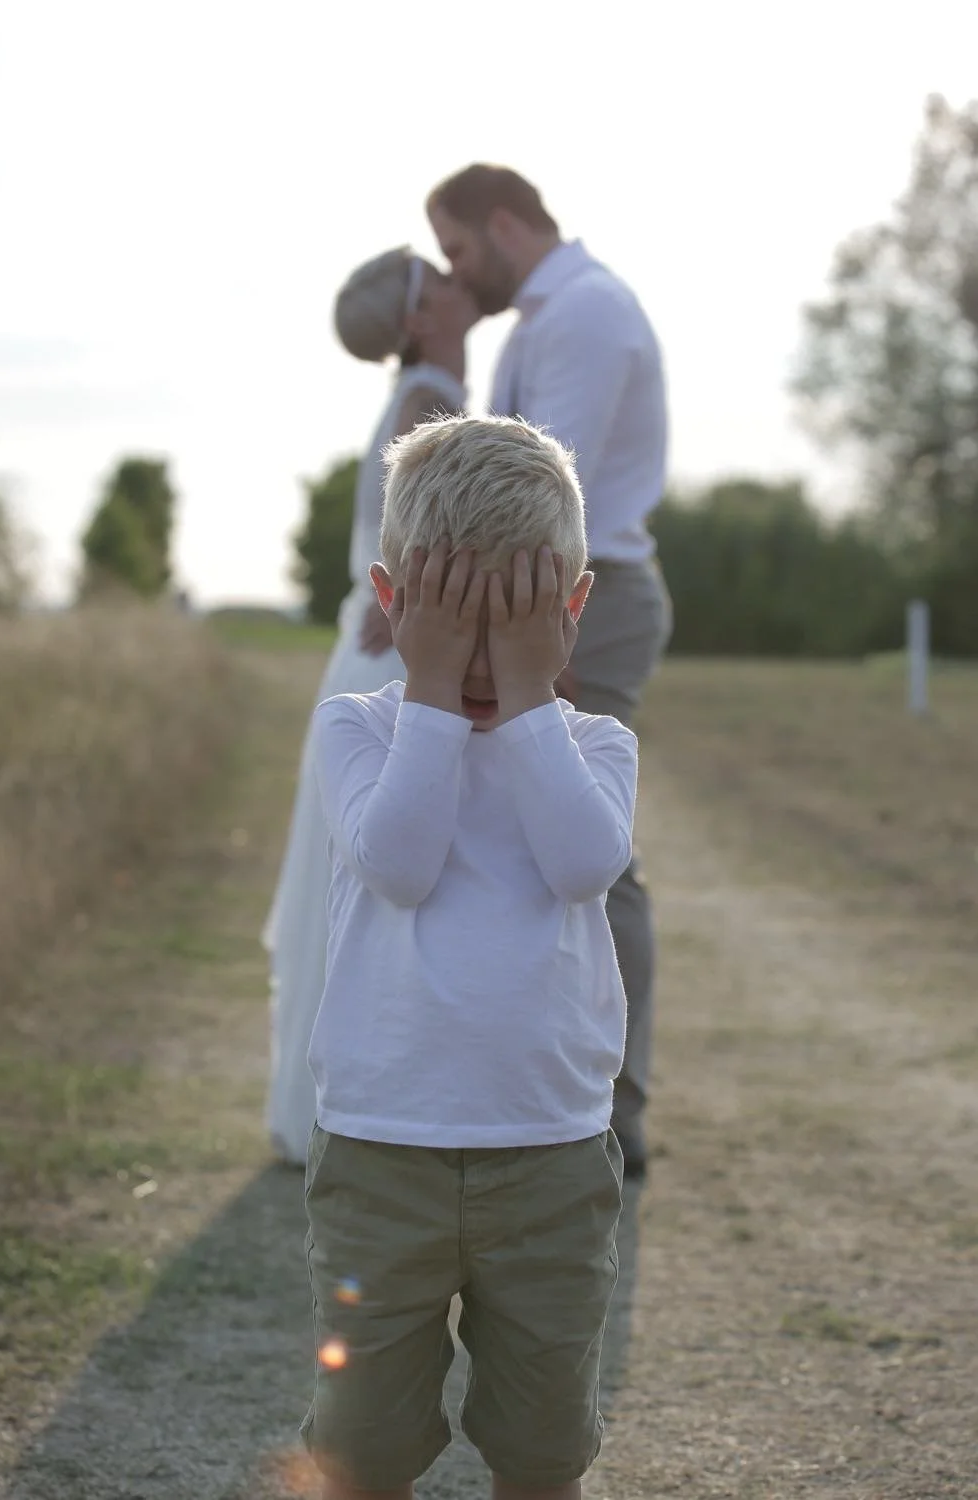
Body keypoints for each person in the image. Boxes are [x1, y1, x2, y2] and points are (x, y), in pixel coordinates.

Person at [302, 414, 637, 1497]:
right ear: (394, 603)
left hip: (547, 1155)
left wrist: (532, 697)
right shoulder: (359, 731)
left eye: (519, 625)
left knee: (542, 1441)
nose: (484, 659)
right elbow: (397, 861)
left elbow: (585, 863)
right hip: (379, 1156)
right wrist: (433, 694)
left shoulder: (592, 745)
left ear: (571, 609)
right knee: (365, 1440)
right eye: (457, 624)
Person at [427, 165, 672, 1179]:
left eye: (455, 250)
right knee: (514, 830)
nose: (454, 271)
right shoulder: (542, 319)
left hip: (585, 594)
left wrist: (516, 623)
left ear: (501, 223)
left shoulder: (585, 313)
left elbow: (537, 486)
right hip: (535, 588)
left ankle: (614, 1105)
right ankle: (519, 1082)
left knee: (591, 847)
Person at [263, 247, 476, 1165]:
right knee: (384, 876)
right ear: (424, 315)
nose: (461, 279)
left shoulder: (420, 393)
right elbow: (443, 542)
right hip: (395, 658)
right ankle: (359, 1109)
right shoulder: (431, 399)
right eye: (441, 273)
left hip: (374, 640)